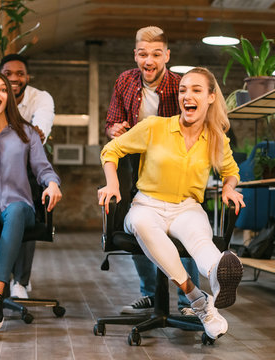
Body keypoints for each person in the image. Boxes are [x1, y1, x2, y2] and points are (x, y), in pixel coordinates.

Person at [98, 67, 245, 340]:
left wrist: (229, 187)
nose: (187, 96)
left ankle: (219, 275)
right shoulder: (155, 127)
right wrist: (113, 183)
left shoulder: (215, 138)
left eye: (196, 90)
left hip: (187, 208)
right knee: (143, 225)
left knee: (202, 243)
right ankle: (201, 303)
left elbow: (231, 169)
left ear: (211, 97)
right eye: (182, 90)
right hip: (146, 206)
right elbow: (112, 149)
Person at [104, 25, 200, 316]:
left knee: (183, 228)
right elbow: (111, 123)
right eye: (143, 54)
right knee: (138, 226)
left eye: (156, 54)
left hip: (170, 167)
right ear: (135, 55)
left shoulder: (179, 85)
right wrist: (114, 129)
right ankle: (149, 293)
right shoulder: (125, 81)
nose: (149, 60)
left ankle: (188, 302)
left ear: (167, 55)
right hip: (134, 165)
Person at [0, 72, 62, 330]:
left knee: (17, 211)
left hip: (18, 206)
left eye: (2, 90)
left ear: (9, 97)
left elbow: (43, 168)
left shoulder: (27, 133)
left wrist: (52, 183)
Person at [0, 54, 56, 299]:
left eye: (19, 73)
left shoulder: (40, 98)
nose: (14, 78)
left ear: (27, 77)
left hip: (28, 170)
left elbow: (38, 133)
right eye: (8, 73)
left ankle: (20, 281)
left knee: (22, 210)